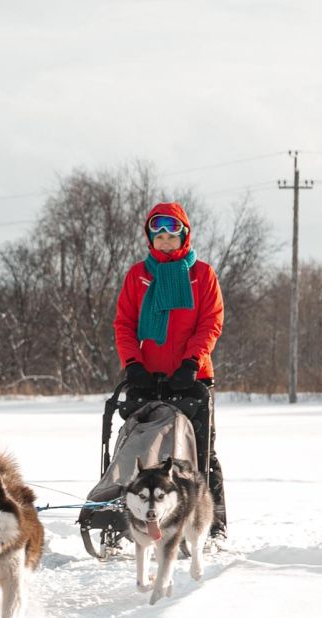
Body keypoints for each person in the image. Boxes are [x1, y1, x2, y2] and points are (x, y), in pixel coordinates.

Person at [113, 201, 227, 540]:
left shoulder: (202, 275)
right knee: (138, 449)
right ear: (151, 238)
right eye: (158, 235)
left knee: (201, 454)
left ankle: (213, 523)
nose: (164, 241)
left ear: (184, 236)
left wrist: (191, 361)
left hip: (191, 377)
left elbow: (211, 322)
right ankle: (122, 519)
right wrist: (133, 364)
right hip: (146, 376)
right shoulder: (138, 275)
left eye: (171, 235)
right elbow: (124, 324)